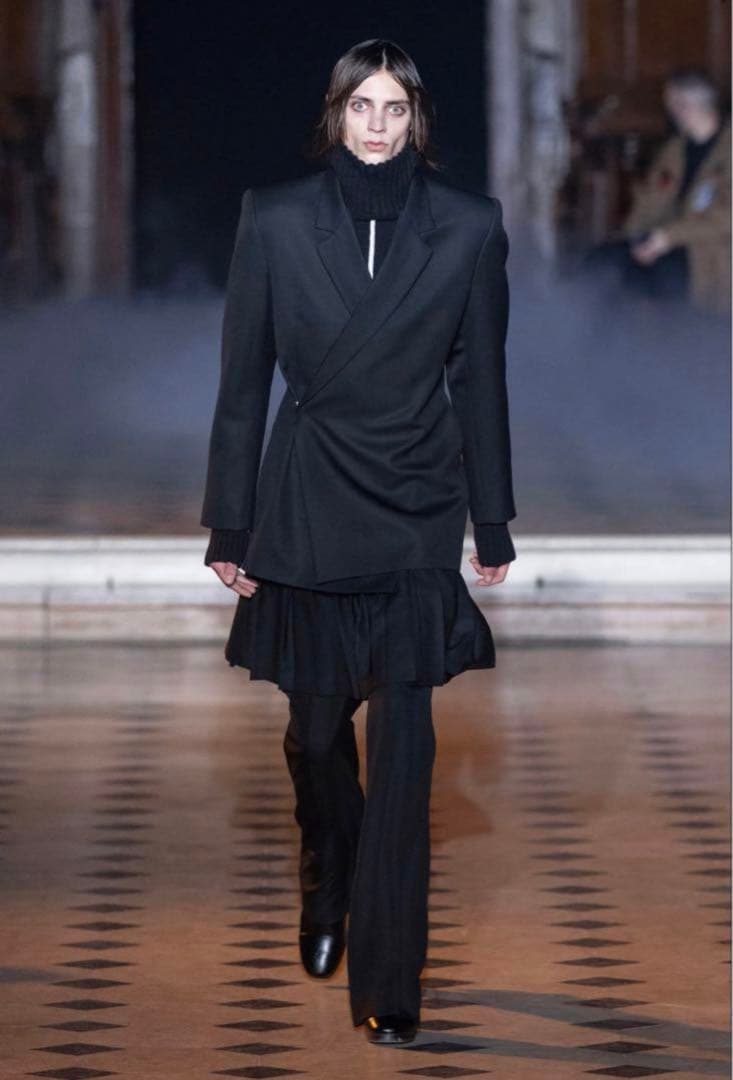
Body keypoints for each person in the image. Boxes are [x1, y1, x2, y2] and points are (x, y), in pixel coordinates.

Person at [200, 38, 518, 1045]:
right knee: (315, 733)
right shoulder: (274, 218)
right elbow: (243, 380)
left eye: (394, 108)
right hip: (309, 498)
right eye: (360, 106)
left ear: (416, 120)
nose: (376, 125)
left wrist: (492, 518)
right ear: (335, 114)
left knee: (407, 754)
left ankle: (391, 979)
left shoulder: (468, 225)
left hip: (416, 501)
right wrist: (230, 522)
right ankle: (325, 864)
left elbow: (480, 380)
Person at [584, 68, 730, 314]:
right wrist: (635, 238)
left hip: (709, 253)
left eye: (673, 104)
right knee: (602, 262)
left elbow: (726, 219)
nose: (670, 111)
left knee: (656, 276)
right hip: (664, 242)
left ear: (687, 106)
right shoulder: (675, 149)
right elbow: (650, 200)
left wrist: (666, 237)